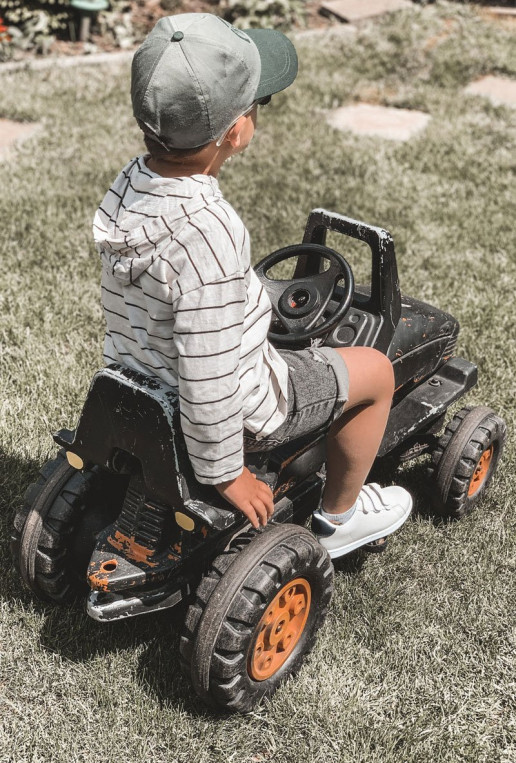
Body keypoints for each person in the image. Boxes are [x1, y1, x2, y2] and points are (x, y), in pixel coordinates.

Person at [93, 12, 412, 559]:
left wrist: (247, 295)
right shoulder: (210, 232)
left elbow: (181, 301)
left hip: (143, 381)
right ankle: (341, 518)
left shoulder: (130, 186)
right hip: (247, 411)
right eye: (256, 103)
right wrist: (226, 475)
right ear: (236, 131)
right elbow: (210, 377)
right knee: (375, 371)